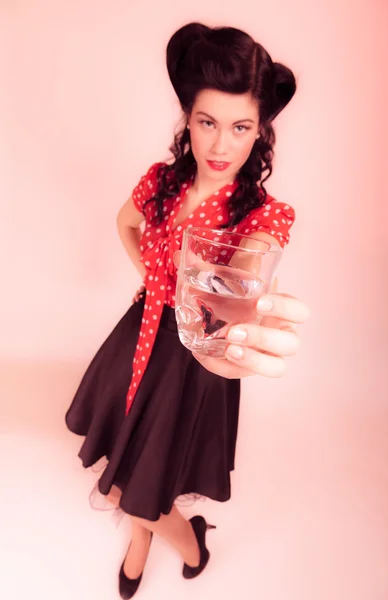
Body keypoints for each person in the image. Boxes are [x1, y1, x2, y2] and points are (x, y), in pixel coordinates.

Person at [65, 21, 310, 599]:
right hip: (139, 336)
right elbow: (125, 223)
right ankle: (146, 536)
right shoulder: (161, 183)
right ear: (189, 122)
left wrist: (246, 286)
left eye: (240, 127)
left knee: (138, 482)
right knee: (134, 456)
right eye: (208, 123)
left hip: (195, 361)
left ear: (259, 132)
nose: (221, 145)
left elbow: (254, 260)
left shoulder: (261, 216)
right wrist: (153, 278)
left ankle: (189, 542)